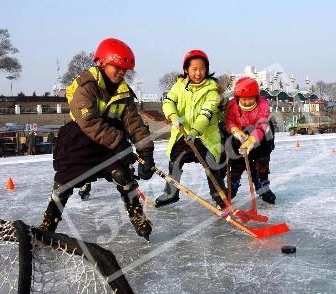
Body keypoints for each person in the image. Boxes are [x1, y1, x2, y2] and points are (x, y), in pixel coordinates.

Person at [38, 37, 155, 241]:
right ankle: (48, 225)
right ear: (101, 62)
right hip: (80, 141)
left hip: (108, 143)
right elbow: (89, 121)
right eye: (116, 67)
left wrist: (146, 152)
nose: (120, 73)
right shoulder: (87, 84)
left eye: (124, 70)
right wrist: (120, 142)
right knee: (64, 183)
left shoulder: (124, 93)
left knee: (123, 176)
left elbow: (134, 123)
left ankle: (137, 216)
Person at [155, 49, 226, 208]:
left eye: (202, 69)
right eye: (194, 69)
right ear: (186, 69)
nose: (198, 73)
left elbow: (206, 114)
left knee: (211, 163)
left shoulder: (212, 89)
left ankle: (219, 195)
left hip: (205, 136)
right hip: (183, 133)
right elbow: (168, 102)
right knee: (175, 158)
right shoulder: (179, 86)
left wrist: (195, 131)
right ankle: (171, 192)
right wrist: (173, 116)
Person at [224, 77, 276, 204]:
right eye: (244, 99)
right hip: (239, 136)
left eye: (250, 98)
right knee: (237, 161)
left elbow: (262, 124)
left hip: (261, 137)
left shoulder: (263, 104)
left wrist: (252, 140)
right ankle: (233, 186)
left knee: (261, 162)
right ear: (237, 98)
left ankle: (263, 185)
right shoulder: (232, 106)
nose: (247, 102)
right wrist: (236, 131)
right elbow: (229, 121)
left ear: (256, 96)